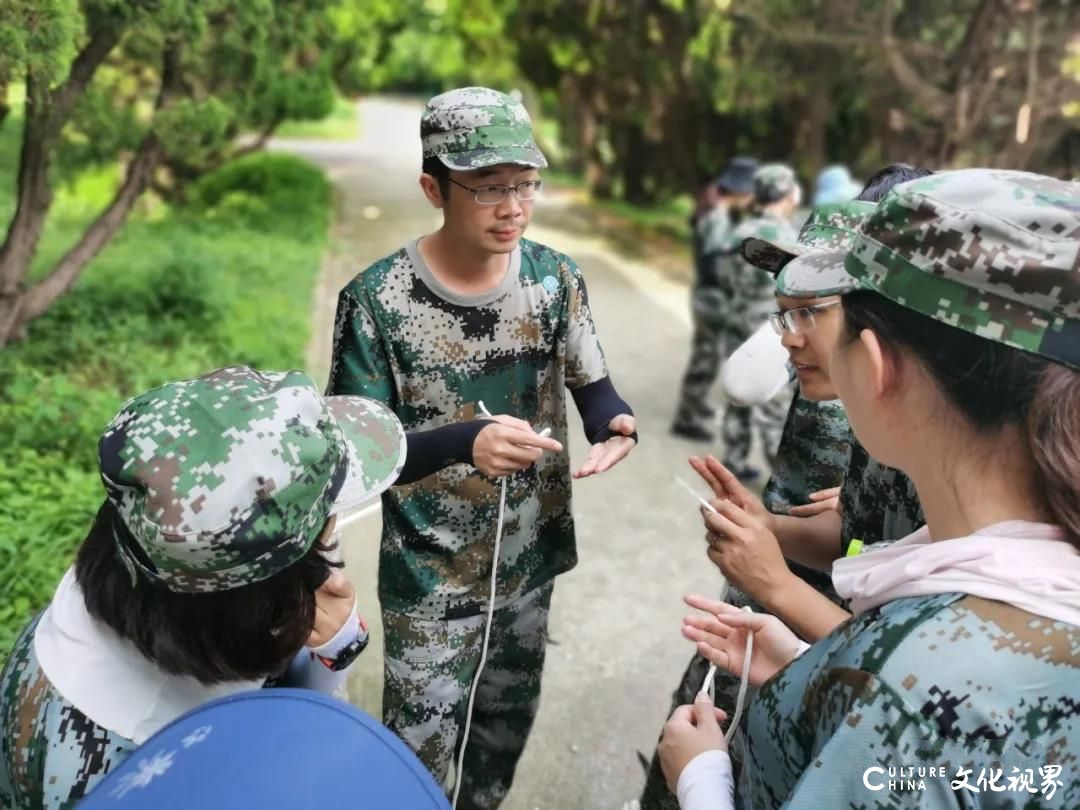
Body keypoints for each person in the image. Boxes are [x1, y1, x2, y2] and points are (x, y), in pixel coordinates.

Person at [662, 168, 1080, 808]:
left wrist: (701, 782)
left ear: (879, 365)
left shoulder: (909, 688)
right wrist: (820, 668)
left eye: (827, 314)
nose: (791, 335)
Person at [326, 87, 637, 807]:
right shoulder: (376, 302)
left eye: (526, 185)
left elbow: (595, 385)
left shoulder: (554, 279)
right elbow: (355, 454)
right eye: (489, 188)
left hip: (530, 563)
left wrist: (614, 425)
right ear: (434, 187)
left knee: (500, 739)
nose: (514, 208)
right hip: (429, 579)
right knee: (415, 763)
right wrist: (468, 441)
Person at [0, 365, 408, 809]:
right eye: (329, 516)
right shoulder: (151, 780)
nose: (334, 528)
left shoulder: (141, 561)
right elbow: (299, 758)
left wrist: (327, 655)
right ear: (264, 597)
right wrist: (328, 666)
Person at [713, 164, 802, 483]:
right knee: (773, 400)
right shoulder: (790, 237)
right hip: (772, 327)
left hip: (737, 316)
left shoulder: (740, 232)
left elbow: (722, 277)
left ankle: (734, 459)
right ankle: (781, 480)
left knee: (737, 391)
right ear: (788, 194)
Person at [672, 157, 758, 442]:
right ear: (739, 191)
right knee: (706, 358)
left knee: (707, 354)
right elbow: (718, 265)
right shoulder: (718, 218)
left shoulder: (716, 213)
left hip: (710, 296)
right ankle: (686, 418)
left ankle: (695, 406)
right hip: (712, 298)